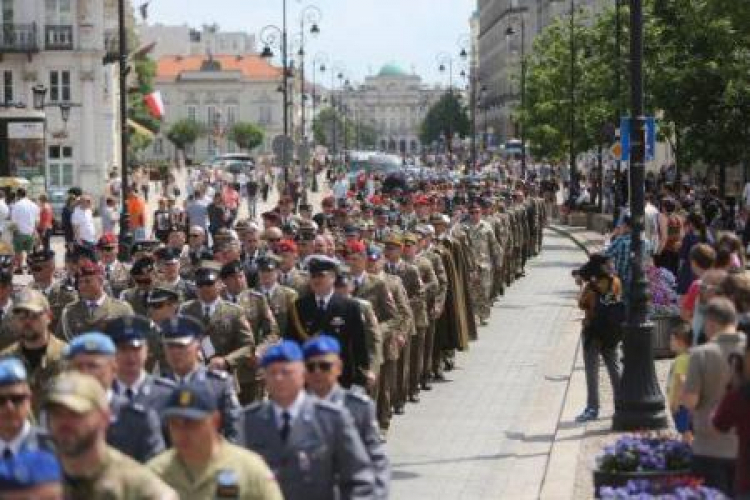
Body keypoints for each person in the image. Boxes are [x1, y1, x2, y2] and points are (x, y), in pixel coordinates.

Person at [238, 340, 376, 500]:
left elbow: (359, 478)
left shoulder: (332, 419)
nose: (279, 378)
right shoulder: (249, 420)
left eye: (286, 372)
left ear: (303, 374)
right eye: (272, 372)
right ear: (264, 378)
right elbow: (233, 475)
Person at [43, 371, 177, 498]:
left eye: (76, 414)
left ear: (104, 418)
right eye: (56, 414)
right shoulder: (34, 478)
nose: (65, 423)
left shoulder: (138, 488)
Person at [147, 381, 284, 500]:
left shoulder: (249, 469)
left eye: (192, 423)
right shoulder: (155, 474)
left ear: (215, 421)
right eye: (175, 424)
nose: (182, 433)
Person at [303, 335, 390, 499]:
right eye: (310, 367)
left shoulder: (358, 409)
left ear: (339, 368)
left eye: (324, 366)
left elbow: (377, 462)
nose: (317, 372)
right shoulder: (294, 410)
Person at [64, 332, 166, 463]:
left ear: (113, 368)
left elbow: (155, 471)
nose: (85, 373)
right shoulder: (58, 415)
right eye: (78, 366)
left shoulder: (137, 419)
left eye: (92, 366)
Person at [682, 297, 747, 496]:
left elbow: (691, 402)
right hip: (744, 448)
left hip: (708, 448)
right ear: (734, 321)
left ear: (710, 323)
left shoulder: (701, 354)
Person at [286, 256, 371, 388]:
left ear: (332, 277)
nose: (316, 280)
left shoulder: (349, 306)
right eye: (313, 276)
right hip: (307, 377)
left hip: (339, 376)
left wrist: (361, 376)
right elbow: (290, 341)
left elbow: (358, 344)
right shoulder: (299, 306)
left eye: (321, 275)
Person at [159, 315, 241, 441]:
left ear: (197, 347)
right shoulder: (159, 386)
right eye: (170, 347)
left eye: (181, 346)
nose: (175, 352)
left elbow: (236, 431)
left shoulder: (218, 385)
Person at [0, 289, 67, 416]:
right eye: (21, 316)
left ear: (49, 317)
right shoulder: (5, 360)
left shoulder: (68, 356)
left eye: (34, 315)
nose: (27, 321)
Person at [575, 253, 623, 423]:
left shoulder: (590, 287)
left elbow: (582, 304)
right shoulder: (615, 282)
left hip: (592, 331)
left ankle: (592, 408)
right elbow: (613, 300)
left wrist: (581, 285)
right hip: (610, 332)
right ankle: (621, 404)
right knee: (614, 368)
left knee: (592, 371)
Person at [57, 260, 134, 340]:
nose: (82, 286)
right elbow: (60, 342)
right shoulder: (69, 311)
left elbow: (131, 340)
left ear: (100, 281)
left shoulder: (122, 309)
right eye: (80, 282)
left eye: (88, 281)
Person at [0, 358, 55, 458]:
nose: (9, 407)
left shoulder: (54, 449)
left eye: (17, 399)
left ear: (29, 400)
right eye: (1, 401)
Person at [667, 321, 692, 440]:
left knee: (686, 433)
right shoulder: (691, 357)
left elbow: (681, 381)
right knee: (687, 433)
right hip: (688, 404)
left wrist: (675, 402)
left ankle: (689, 456)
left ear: (680, 342)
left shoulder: (681, 360)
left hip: (681, 405)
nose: (670, 343)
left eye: (672, 339)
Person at [9, 188, 39, 271]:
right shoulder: (34, 205)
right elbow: (37, 220)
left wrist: (14, 232)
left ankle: (19, 268)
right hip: (30, 232)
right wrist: (34, 231)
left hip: (20, 231)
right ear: (26, 194)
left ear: (18, 195)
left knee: (19, 251)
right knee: (29, 252)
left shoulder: (17, 205)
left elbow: (13, 221)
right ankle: (30, 268)